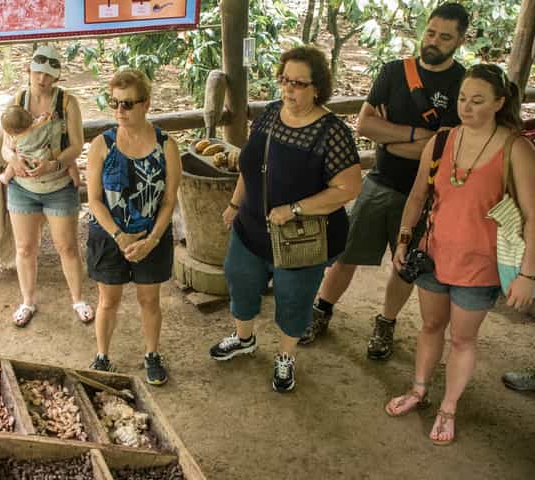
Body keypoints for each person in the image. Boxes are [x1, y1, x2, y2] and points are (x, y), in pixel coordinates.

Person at [300, 2, 469, 361]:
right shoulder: (394, 72)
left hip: (428, 195)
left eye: (445, 37)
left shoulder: (462, 84)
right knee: (346, 254)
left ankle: (386, 323)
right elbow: (364, 126)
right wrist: (415, 135)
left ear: (460, 40)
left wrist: (391, 137)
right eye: (431, 32)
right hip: (381, 181)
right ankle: (322, 310)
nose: (434, 41)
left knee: (403, 265)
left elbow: (442, 149)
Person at [384, 64, 535, 445]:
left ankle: (448, 407)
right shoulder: (443, 140)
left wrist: (528, 275)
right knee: (431, 326)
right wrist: (404, 239)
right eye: (463, 99)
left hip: (480, 263)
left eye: (478, 101)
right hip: (433, 252)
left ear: (500, 102)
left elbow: (533, 215)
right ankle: (419, 390)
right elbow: (418, 196)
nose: (466, 107)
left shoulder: (515, 147)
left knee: (463, 339)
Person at [209, 46, 361, 392]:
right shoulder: (270, 114)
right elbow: (251, 166)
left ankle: (285, 356)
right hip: (251, 226)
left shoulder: (331, 132)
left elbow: (349, 187)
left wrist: (296, 209)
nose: (289, 89)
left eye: (298, 83)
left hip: (299, 236)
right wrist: (235, 204)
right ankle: (244, 338)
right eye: (284, 80)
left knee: (293, 296)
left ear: (317, 87)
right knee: (241, 281)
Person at [85, 69, 180, 385]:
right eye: (114, 103)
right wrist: (119, 234)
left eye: (127, 104)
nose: (119, 111)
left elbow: (168, 201)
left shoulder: (166, 146)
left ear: (146, 104)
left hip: (151, 235)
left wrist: (152, 240)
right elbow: (95, 200)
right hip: (111, 234)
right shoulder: (103, 144)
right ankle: (102, 357)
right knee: (108, 301)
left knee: (149, 300)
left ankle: (152, 354)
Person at [0, 45, 93, 327]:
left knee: (67, 246)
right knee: (25, 247)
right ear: (28, 71)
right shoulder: (17, 101)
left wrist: (53, 165)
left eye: (48, 75)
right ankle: (27, 301)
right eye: (38, 73)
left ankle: (78, 299)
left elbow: (77, 145)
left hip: (58, 184)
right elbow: (6, 146)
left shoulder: (67, 103)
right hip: (23, 187)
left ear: (56, 78)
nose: (42, 80)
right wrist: (13, 161)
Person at [0, 103, 82, 188]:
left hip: (27, 161)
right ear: (29, 116)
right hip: (45, 157)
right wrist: (45, 117)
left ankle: (5, 177)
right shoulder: (38, 126)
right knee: (70, 163)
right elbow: (47, 122)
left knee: (11, 166)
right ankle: (76, 181)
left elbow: (11, 148)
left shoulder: (16, 138)